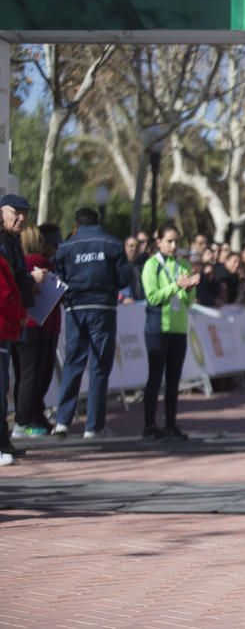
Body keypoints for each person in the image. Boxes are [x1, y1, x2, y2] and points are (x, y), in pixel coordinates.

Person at [52, 208, 131, 439]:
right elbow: (124, 278)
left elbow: (58, 278)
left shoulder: (65, 247)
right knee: (99, 366)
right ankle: (93, 427)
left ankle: (62, 422)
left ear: (76, 224)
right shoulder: (113, 244)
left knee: (73, 363)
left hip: (75, 309)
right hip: (103, 309)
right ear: (98, 222)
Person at [141, 223, 199, 440]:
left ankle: (171, 424)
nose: (174, 246)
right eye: (169, 241)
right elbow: (153, 297)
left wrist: (190, 289)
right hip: (157, 327)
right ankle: (149, 425)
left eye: (176, 241)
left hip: (178, 328)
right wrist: (176, 286)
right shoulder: (151, 265)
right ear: (159, 242)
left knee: (174, 379)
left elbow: (188, 301)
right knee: (155, 377)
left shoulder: (183, 264)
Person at [11, 226, 61, 437]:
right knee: (35, 375)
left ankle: (29, 418)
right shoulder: (39, 263)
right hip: (39, 326)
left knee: (24, 375)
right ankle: (25, 421)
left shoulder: (22, 263)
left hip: (25, 325)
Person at [0, 194, 34, 465]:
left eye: (25, 213)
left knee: (5, 384)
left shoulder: (13, 243)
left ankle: (4, 441)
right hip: (7, 322)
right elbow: (5, 291)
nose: (21, 217)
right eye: (16, 212)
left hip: (10, 326)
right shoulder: (3, 245)